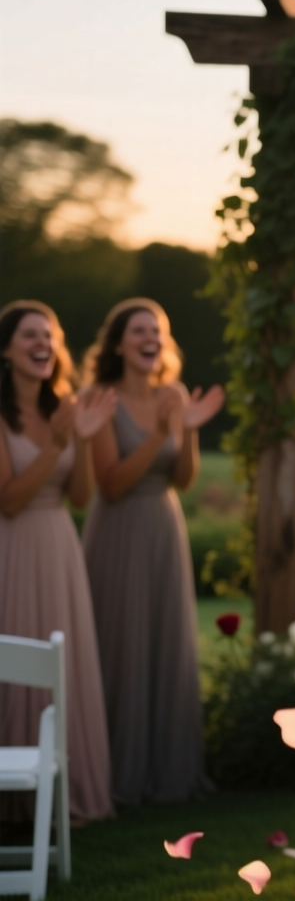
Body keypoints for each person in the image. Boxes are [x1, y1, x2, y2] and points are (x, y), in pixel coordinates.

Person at [80, 298, 223, 805]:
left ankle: (169, 772)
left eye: (158, 331)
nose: (151, 339)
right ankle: (114, 774)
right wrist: (163, 430)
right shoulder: (99, 397)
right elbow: (112, 484)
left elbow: (183, 478)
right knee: (119, 643)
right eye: (140, 330)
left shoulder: (174, 394)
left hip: (165, 527)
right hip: (118, 530)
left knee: (165, 642)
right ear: (119, 343)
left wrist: (185, 428)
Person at [0, 302, 117, 823]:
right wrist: (59, 444)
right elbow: (9, 499)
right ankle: (14, 797)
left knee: (62, 666)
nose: (43, 343)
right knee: (15, 664)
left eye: (49, 334)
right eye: (30, 335)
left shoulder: (63, 407)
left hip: (61, 549)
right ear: (6, 349)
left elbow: (79, 496)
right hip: (13, 546)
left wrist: (83, 444)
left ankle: (66, 789)